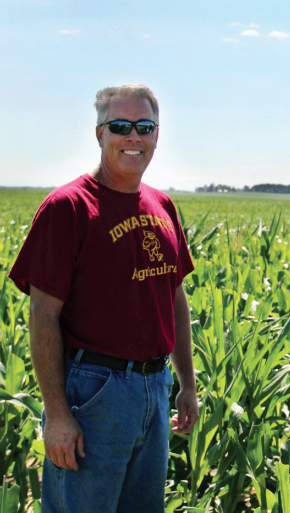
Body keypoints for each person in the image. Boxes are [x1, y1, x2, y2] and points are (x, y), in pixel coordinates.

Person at [9, 84, 199, 512]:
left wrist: (186, 383)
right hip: (94, 392)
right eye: (120, 126)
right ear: (100, 134)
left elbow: (174, 299)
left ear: (156, 135)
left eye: (144, 127)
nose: (133, 137)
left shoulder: (163, 206)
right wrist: (57, 414)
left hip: (155, 386)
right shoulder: (69, 207)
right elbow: (42, 318)